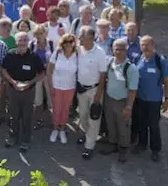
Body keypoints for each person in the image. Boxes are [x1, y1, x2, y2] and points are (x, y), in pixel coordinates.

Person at [2, 32, 44, 152]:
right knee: (13, 115)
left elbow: (42, 73)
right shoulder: (10, 54)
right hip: (12, 89)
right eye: (20, 40)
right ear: (16, 42)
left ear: (28, 42)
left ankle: (25, 140)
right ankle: (13, 137)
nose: (22, 42)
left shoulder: (33, 56)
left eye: (25, 40)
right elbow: (4, 70)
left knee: (27, 116)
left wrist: (29, 83)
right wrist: (12, 81)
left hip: (28, 91)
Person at [131, 35, 168, 162]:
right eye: (142, 44)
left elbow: (167, 80)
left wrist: (167, 99)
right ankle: (142, 145)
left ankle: (155, 150)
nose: (145, 47)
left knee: (153, 125)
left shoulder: (160, 60)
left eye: (147, 44)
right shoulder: (137, 59)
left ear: (153, 45)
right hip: (139, 98)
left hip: (154, 100)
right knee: (141, 123)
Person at [99, 39, 139, 162]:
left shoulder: (131, 68)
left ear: (126, 50)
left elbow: (133, 90)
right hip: (109, 99)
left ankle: (123, 149)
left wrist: (129, 107)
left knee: (124, 127)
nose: (119, 51)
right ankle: (112, 144)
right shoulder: (110, 62)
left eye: (122, 49)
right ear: (113, 50)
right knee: (111, 124)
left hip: (123, 101)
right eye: (117, 49)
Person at [75, 26, 107, 159]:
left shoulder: (99, 52)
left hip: (94, 90)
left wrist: (98, 95)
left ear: (89, 38)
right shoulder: (78, 48)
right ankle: (86, 133)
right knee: (82, 115)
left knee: (94, 119)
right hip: (81, 89)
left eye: (81, 36)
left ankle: (89, 146)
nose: (79, 38)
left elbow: (103, 75)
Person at [46, 34, 78, 144]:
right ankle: (55, 129)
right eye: (66, 42)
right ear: (63, 44)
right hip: (57, 86)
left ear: (74, 43)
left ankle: (62, 129)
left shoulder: (77, 55)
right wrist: (50, 87)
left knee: (65, 109)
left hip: (70, 87)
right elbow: (49, 71)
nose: (69, 44)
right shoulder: (57, 54)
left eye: (71, 41)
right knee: (56, 109)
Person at [29, 25, 53, 128]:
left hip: (49, 74)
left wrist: (47, 67)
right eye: (37, 33)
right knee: (37, 98)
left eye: (41, 33)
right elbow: (29, 60)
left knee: (51, 97)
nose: (39, 35)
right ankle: (39, 120)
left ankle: (53, 120)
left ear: (46, 33)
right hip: (36, 74)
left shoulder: (51, 44)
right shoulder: (31, 44)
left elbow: (55, 59)